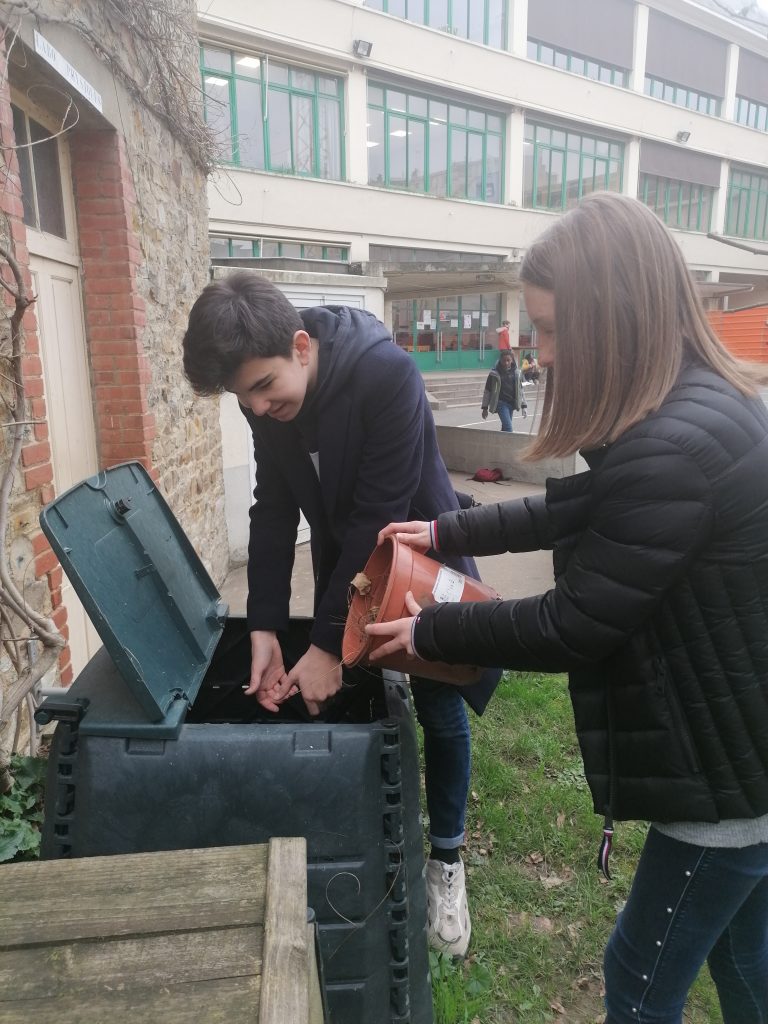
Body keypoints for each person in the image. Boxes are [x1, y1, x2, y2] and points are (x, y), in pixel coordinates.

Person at [365, 193, 768, 1023]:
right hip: (743, 749)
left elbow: (571, 622)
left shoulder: (672, 447)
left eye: (549, 329)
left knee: (638, 978)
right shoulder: (688, 411)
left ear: (611, 319)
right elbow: (576, 508)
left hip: (724, 775)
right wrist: (446, 526)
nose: (539, 354)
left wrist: (431, 627)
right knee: (745, 959)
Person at [182, 273, 501, 958]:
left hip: (415, 557)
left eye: (266, 387)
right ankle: (361, 836)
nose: (260, 406)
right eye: (244, 398)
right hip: (350, 569)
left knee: (439, 705)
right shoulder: (263, 399)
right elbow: (271, 510)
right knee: (356, 696)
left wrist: (327, 641)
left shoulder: (386, 373)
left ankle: (445, 858)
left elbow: (379, 515)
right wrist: (265, 624)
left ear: (302, 346)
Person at [481, 350, 527, 432]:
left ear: (512, 360)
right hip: (501, 404)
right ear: (500, 360)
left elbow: (520, 390)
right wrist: (485, 408)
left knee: (505, 429)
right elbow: (487, 391)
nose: (506, 363)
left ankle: (499, 443)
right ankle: (510, 444)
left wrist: (524, 406)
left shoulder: (517, 373)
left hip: (511, 404)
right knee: (509, 428)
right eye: (504, 360)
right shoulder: (493, 374)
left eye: (508, 360)